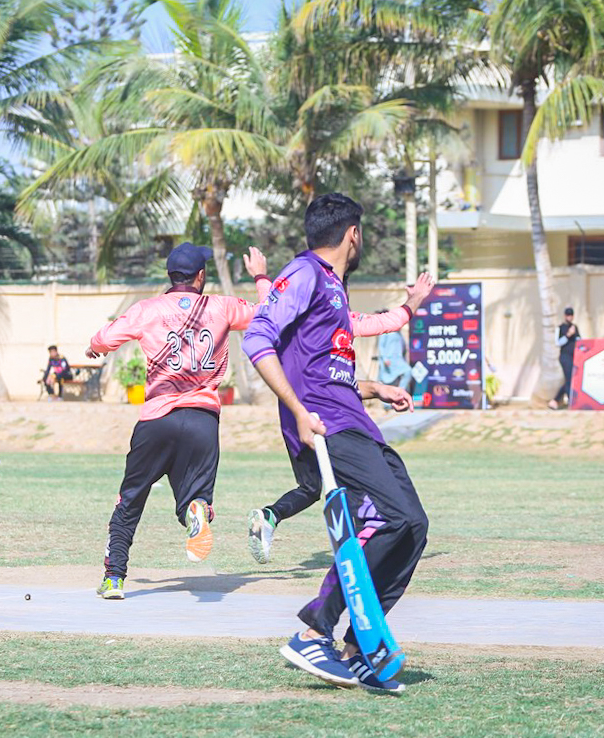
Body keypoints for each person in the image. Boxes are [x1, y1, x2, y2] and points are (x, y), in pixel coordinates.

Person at [243, 193, 428, 693]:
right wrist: (299, 411)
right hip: (327, 426)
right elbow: (257, 339)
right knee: (388, 518)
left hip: (355, 420)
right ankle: (313, 631)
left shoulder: (333, 288)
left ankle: (358, 649)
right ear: (353, 234)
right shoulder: (305, 273)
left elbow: (326, 370)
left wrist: (375, 388)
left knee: (413, 525)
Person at [87, 243, 270, 600]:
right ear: (201, 276)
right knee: (193, 498)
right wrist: (261, 277)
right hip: (203, 420)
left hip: (157, 419)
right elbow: (269, 314)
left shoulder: (148, 309)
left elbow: (106, 338)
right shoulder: (222, 306)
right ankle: (196, 508)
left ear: (170, 275)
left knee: (130, 500)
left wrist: (95, 346)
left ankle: (114, 579)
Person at [247, 274, 435, 565]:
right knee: (357, 488)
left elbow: (269, 302)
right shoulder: (342, 319)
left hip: (293, 417)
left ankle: (270, 516)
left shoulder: (290, 318)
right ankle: (361, 556)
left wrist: (261, 276)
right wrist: (417, 297)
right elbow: (389, 321)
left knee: (310, 487)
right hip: (328, 421)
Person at [550, 307, 580, 409]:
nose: (569, 317)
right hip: (565, 356)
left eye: (571, 315)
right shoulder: (560, 328)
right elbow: (557, 343)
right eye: (568, 315)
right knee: (570, 379)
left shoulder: (575, 327)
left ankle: (555, 400)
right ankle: (570, 402)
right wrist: (568, 335)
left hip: (574, 357)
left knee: (570, 379)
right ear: (565, 316)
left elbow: (579, 340)